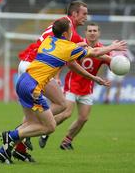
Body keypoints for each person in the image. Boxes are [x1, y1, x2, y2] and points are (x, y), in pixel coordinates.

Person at [0, 18, 126, 164]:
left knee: (31, 123)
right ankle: (10, 136)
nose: (73, 31)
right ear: (65, 33)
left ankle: (3, 151)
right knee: (49, 126)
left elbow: (69, 48)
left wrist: (80, 46)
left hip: (23, 81)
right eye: (71, 29)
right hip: (33, 88)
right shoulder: (68, 48)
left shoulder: (50, 40)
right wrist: (111, 47)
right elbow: (94, 52)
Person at [38, 22, 119, 150]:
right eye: (90, 31)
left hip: (87, 87)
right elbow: (64, 59)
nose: (92, 33)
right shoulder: (80, 45)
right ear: (85, 33)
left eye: (95, 31)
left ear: (99, 33)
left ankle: (67, 141)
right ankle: (45, 131)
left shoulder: (103, 49)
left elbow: (113, 66)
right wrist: (58, 77)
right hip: (73, 84)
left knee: (83, 118)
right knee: (66, 113)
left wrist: (118, 64)